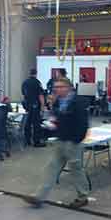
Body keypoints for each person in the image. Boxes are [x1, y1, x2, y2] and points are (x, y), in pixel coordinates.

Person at [23, 77, 90, 209]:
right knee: (51, 168)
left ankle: (83, 196)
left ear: (69, 88)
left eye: (60, 87)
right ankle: (39, 196)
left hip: (73, 143)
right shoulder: (58, 101)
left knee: (76, 170)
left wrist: (76, 140)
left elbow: (83, 124)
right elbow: (58, 118)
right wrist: (52, 124)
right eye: (56, 87)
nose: (56, 89)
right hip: (60, 141)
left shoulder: (78, 102)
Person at [21, 68, 46, 147]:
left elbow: (24, 94)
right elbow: (40, 95)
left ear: (30, 73)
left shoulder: (24, 82)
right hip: (35, 105)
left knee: (27, 123)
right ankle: (36, 142)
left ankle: (27, 140)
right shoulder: (37, 82)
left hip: (27, 105)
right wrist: (42, 106)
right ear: (36, 73)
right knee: (36, 124)